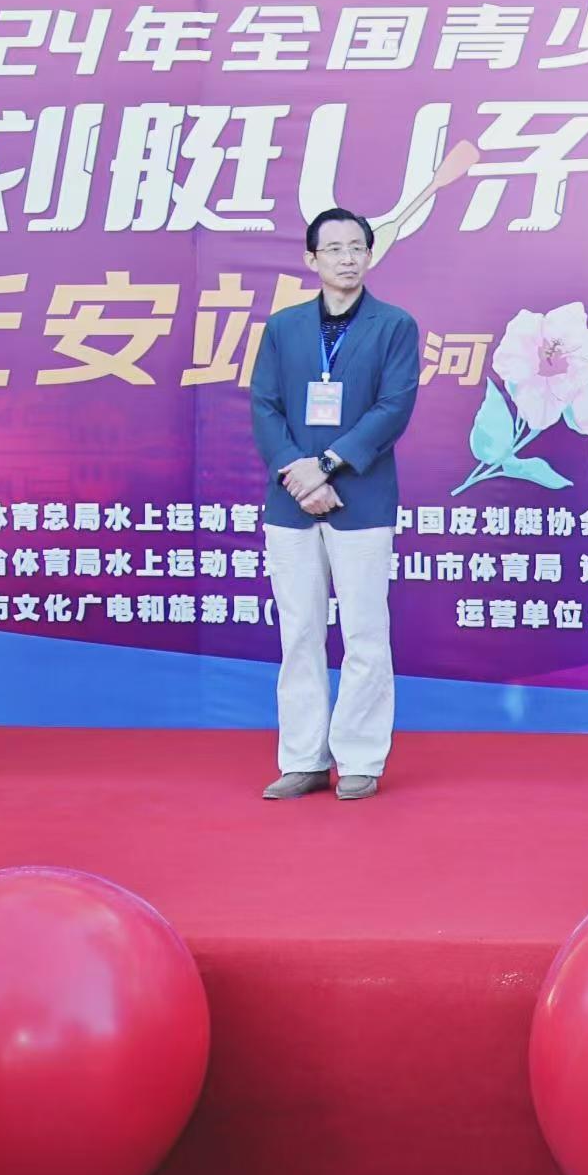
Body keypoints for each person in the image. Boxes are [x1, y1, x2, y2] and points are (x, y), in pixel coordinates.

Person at [252, 208, 420, 802]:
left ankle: (360, 758)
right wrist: (298, 472)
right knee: (299, 631)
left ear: (370, 256)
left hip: (361, 497)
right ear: (311, 259)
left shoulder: (394, 325)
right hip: (291, 499)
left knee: (365, 632)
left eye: (357, 247)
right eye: (335, 248)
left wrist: (327, 466)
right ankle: (302, 758)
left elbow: (393, 408)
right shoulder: (283, 327)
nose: (347, 258)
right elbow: (264, 406)